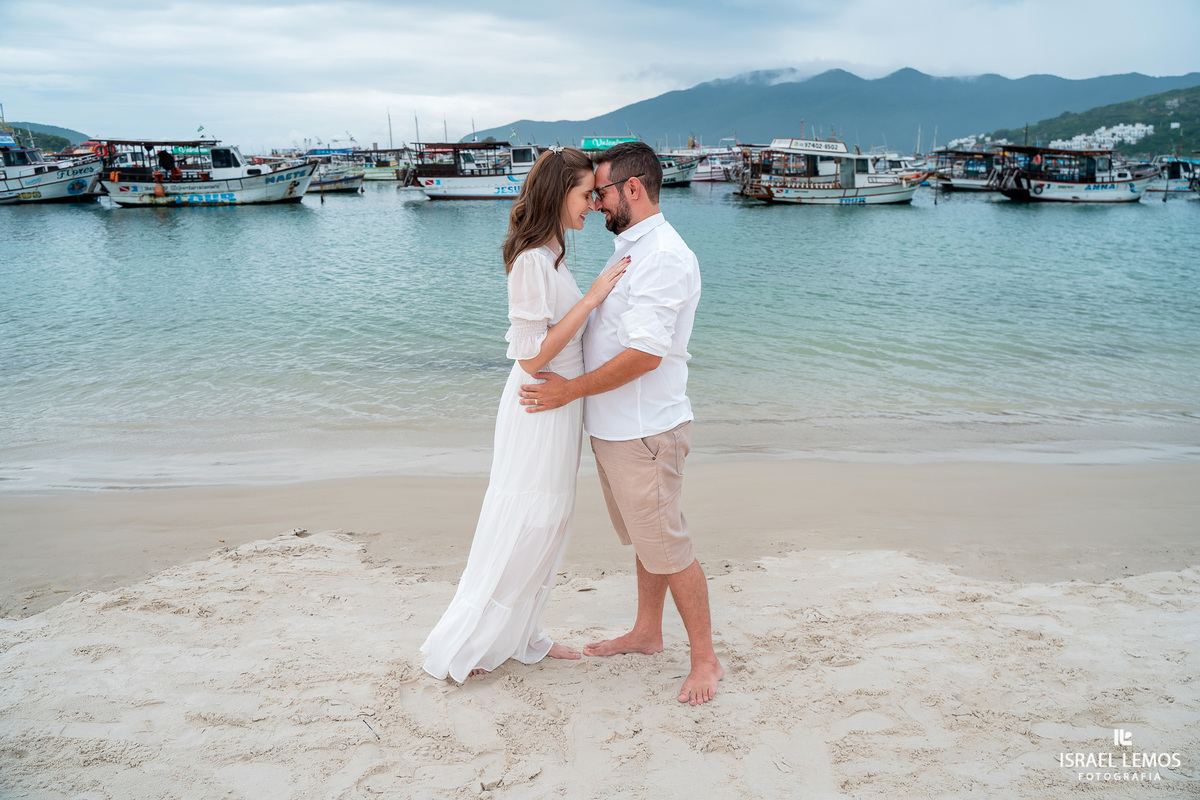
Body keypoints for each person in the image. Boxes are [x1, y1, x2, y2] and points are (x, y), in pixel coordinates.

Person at [518, 141, 723, 705]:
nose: (597, 202)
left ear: (633, 188)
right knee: (643, 538)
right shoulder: (630, 245)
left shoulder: (663, 255)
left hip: (644, 430)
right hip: (616, 430)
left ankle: (705, 660)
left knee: (670, 546)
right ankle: (647, 632)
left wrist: (569, 392)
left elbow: (645, 355)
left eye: (602, 191)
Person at [421, 148, 628, 682]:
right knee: (528, 519)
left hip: (559, 405)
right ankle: (480, 639)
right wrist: (593, 300)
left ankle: (525, 633)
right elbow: (531, 354)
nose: (592, 206)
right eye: (586, 195)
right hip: (539, 404)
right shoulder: (533, 259)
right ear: (559, 193)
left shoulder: (554, 252)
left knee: (551, 520)